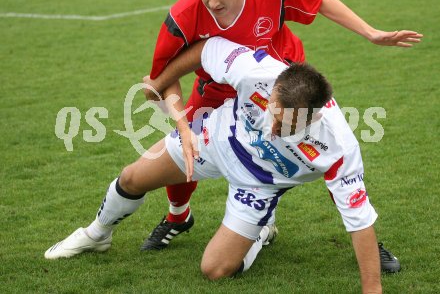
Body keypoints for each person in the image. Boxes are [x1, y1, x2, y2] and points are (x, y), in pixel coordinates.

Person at [143, 0, 421, 271]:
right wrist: (174, 114)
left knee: (330, 154)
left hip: (279, 80)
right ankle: (179, 215)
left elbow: (320, 1)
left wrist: (371, 33)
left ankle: (369, 241)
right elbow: (165, 73)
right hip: (217, 86)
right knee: (183, 147)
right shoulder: (182, 14)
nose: (213, 2)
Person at [45, 37, 382, 292]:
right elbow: (206, 48)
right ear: (274, 88)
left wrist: (373, 290)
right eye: (273, 114)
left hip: (258, 184)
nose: (273, 128)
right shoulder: (256, 70)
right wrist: (161, 83)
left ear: (316, 115)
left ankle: (260, 232)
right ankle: (96, 235)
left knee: (215, 270)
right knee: (132, 177)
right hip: (213, 140)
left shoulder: (338, 147)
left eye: (287, 127)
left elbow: (359, 221)